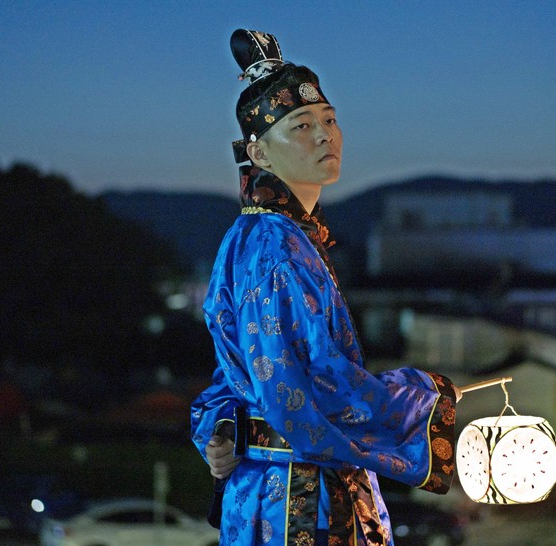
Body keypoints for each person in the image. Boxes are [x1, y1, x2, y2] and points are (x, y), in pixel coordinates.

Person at [191, 29, 462, 546]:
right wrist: (424, 398)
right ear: (258, 153)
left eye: (329, 120)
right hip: (298, 502)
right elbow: (308, 388)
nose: (325, 136)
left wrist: (224, 426)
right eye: (301, 125)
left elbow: (242, 374)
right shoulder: (277, 247)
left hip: (264, 490)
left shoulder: (259, 235)